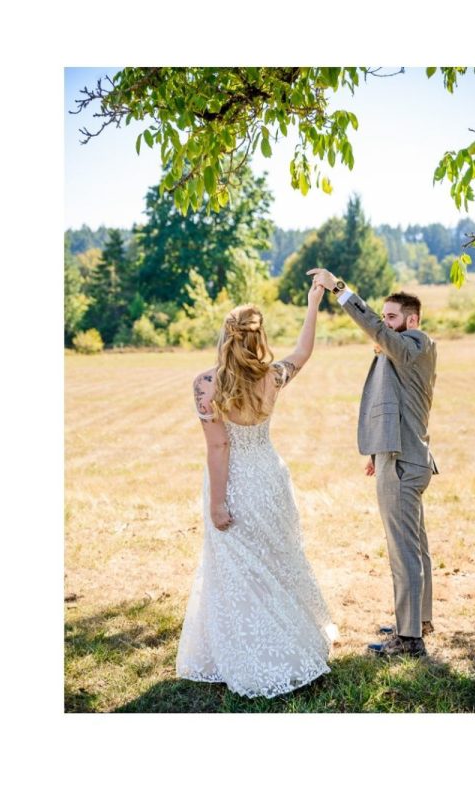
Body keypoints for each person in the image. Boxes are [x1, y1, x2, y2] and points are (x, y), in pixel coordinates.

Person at [176, 278, 338, 698]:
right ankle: (289, 641)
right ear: (259, 338)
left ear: (224, 336)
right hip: (269, 476)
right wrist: (312, 302)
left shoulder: (206, 384)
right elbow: (302, 353)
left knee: (238, 569)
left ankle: (251, 650)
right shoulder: (272, 377)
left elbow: (218, 445)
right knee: (276, 560)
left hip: (235, 482)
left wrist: (216, 503)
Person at [306, 268, 438, 658]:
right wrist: (376, 451)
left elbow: (378, 333)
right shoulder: (403, 349)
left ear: (412, 320)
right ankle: (417, 620)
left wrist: (340, 290)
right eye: (385, 316)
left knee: (404, 552)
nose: (385, 324)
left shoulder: (416, 344)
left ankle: (410, 639)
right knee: (416, 549)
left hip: (403, 464)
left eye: (392, 317)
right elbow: (390, 403)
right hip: (398, 457)